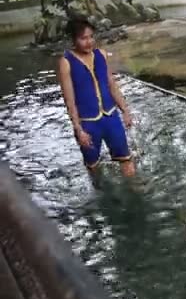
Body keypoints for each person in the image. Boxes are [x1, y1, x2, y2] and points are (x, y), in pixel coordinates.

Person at [58, 18, 136, 179]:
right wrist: (79, 130)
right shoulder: (66, 62)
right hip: (88, 124)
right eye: (83, 38)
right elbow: (69, 100)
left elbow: (111, 85)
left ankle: (136, 193)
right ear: (74, 39)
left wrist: (125, 111)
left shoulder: (101, 54)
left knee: (126, 159)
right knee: (93, 166)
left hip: (111, 117)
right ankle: (102, 195)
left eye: (91, 37)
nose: (89, 42)